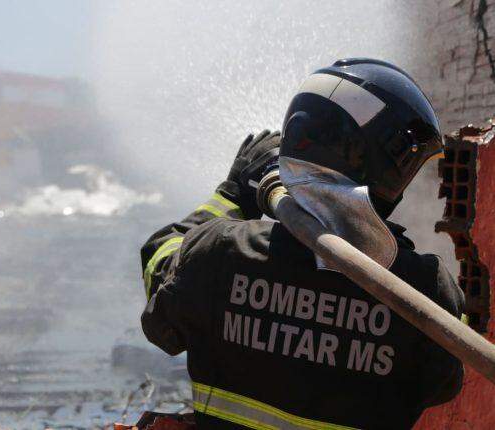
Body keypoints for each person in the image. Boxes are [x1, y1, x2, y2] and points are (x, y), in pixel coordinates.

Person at [140, 59, 464, 429]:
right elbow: (443, 383)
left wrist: (232, 194)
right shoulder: (424, 289)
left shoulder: (219, 254)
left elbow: (160, 265)